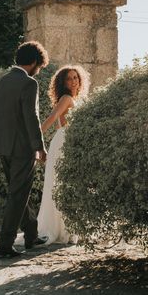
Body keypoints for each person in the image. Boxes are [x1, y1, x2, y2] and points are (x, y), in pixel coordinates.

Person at [0, 41, 50, 259]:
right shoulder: (29, 83)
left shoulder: (4, 81)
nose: (38, 70)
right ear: (34, 62)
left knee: (18, 192)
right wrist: (40, 147)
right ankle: (5, 244)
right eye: (39, 66)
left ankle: (31, 234)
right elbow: (31, 117)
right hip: (22, 148)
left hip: (3, 145)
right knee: (17, 195)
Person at [36, 65, 90, 245]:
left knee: (69, 184)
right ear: (63, 82)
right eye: (69, 78)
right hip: (64, 143)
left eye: (76, 77)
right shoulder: (66, 98)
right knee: (62, 184)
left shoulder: (76, 98)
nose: (73, 81)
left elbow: (61, 124)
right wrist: (35, 138)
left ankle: (70, 228)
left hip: (69, 141)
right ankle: (63, 230)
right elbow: (52, 118)